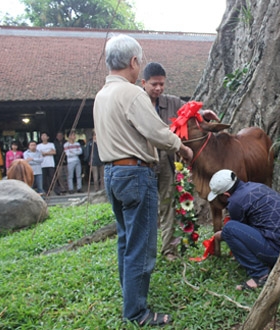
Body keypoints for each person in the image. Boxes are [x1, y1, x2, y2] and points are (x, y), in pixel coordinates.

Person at [93, 34, 193, 327]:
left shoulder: (102, 95)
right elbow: (157, 132)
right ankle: (137, 312)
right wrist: (182, 147)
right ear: (134, 62)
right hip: (136, 173)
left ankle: (130, 297)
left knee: (126, 239)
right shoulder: (132, 93)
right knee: (142, 246)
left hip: (112, 174)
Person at [141, 62, 219, 261]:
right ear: (143, 83)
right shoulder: (137, 103)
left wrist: (202, 113)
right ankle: (143, 252)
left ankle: (168, 250)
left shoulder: (170, 102)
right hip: (142, 164)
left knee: (167, 205)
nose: (158, 88)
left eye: (161, 84)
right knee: (145, 209)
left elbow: (188, 110)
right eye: (153, 84)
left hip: (166, 163)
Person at [208, 169, 280, 290]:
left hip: (278, 252)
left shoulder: (236, 202)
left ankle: (261, 275)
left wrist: (221, 235)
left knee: (229, 229)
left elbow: (238, 233)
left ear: (226, 195)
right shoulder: (256, 186)